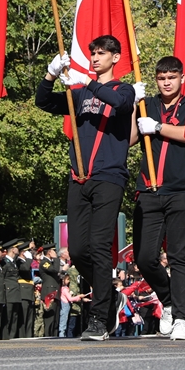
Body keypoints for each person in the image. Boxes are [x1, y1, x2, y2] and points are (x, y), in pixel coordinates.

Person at [36, 34, 140, 341]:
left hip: (108, 177)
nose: (95, 58)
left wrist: (87, 81)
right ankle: (109, 298)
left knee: (98, 244)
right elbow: (43, 102)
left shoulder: (124, 89)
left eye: (102, 53)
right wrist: (50, 75)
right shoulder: (79, 96)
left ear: (115, 58)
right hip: (79, 177)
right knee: (79, 249)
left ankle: (98, 317)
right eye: (92, 53)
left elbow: (120, 103)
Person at [133, 55, 185, 341]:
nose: (166, 82)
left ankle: (182, 319)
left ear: (182, 79)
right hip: (150, 189)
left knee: (179, 255)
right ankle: (168, 299)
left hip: (184, 189)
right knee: (145, 256)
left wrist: (159, 128)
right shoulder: (146, 105)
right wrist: (132, 106)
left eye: (171, 77)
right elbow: (128, 139)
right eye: (161, 78)